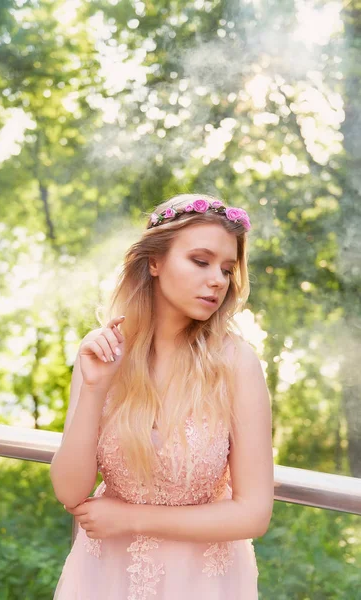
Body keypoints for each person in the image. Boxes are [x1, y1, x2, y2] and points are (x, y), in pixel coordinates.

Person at [50, 193, 274, 599]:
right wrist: (95, 389)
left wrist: (132, 519)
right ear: (154, 262)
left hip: (203, 581)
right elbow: (69, 492)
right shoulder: (103, 349)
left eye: (227, 269)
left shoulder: (238, 363)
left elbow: (254, 514)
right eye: (201, 261)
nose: (218, 280)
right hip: (104, 575)